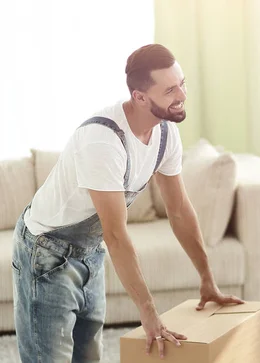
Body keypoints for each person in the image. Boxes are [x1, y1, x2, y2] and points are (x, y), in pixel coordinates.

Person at [11, 44, 244, 363]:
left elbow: (179, 211)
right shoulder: (103, 141)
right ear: (140, 97)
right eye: (170, 89)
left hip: (89, 250)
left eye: (183, 83)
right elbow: (116, 235)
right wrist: (148, 312)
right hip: (46, 252)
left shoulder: (165, 134)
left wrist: (207, 279)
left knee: (87, 357)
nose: (183, 95)